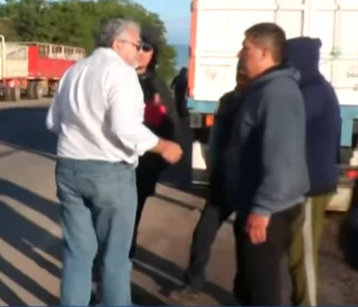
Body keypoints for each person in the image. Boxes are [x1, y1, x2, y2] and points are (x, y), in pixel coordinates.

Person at [46, 18, 184, 306]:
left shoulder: (74, 71)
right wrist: (163, 146)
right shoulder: (121, 73)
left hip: (69, 167)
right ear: (117, 44)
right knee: (115, 259)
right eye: (136, 44)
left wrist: (83, 136)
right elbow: (125, 127)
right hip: (109, 172)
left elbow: (53, 122)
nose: (139, 51)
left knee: (77, 254)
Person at [225, 22, 309, 306]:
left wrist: (262, 209)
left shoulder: (277, 93)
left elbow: (281, 156)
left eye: (246, 48)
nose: (240, 54)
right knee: (248, 286)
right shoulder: (263, 89)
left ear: (264, 52)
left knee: (262, 291)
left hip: (269, 211)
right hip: (258, 204)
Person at [169, 59, 248, 300]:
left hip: (247, 182)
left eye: (244, 73)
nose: (241, 77)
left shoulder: (259, 100)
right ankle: (192, 283)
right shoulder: (227, 100)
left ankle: (242, 293)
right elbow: (216, 136)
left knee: (246, 243)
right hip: (222, 180)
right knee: (202, 234)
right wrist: (212, 161)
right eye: (239, 72)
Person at [286, 37, 342, 307]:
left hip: (312, 185)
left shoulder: (314, 92)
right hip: (308, 182)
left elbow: (288, 121)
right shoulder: (312, 88)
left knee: (303, 254)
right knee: (296, 251)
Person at [129, 25, 182, 260]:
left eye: (146, 48)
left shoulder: (157, 85)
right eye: (137, 47)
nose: (140, 52)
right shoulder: (116, 78)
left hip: (143, 165)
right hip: (112, 163)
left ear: (153, 54)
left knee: (130, 220)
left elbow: (171, 126)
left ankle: (121, 266)